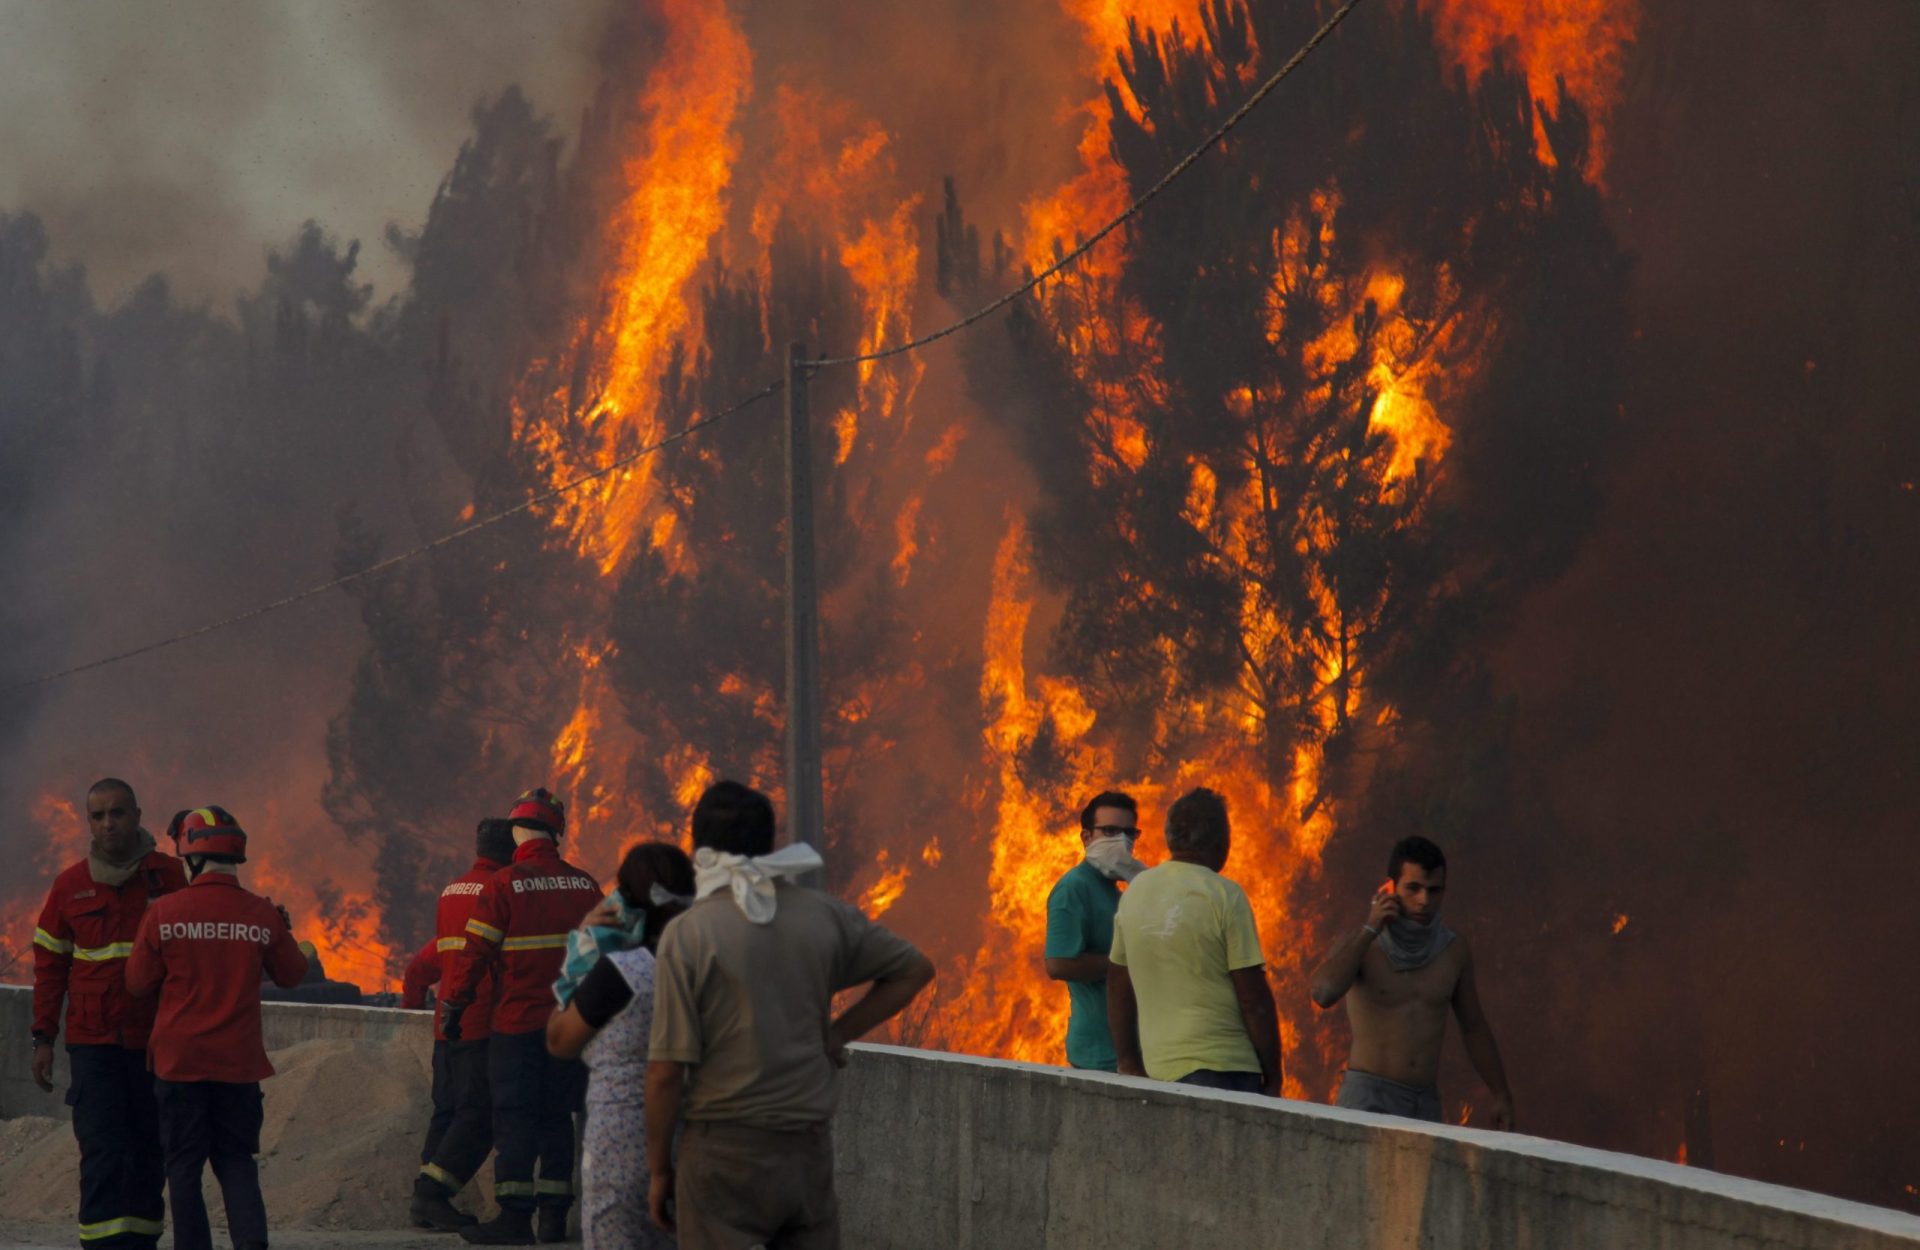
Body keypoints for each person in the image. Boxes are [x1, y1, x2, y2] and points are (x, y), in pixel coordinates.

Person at [645, 780, 935, 1250]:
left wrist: (659, 1170)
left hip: (724, 1151)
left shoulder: (689, 933)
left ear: (697, 845)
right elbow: (913, 970)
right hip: (805, 1151)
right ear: (769, 841)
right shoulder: (825, 915)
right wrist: (836, 1035)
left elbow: (663, 1072)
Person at [124, 806, 308, 1250]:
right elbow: (293, 974)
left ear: (191, 858)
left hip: (180, 1064)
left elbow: (137, 984)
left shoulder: (166, 911)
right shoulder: (261, 914)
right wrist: (282, 930)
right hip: (238, 1069)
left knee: (183, 1166)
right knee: (236, 1161)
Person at [29, 777, 187, 1250]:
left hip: (156, 1041)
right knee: (100, 1150)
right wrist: (42, 1038)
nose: (108, 823)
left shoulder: (170, 877)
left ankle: (141, 1241)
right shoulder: (71, 886)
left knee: (148, 1149)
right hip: (93, 1043)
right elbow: (49, 969)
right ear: (89, 824)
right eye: (97, 816)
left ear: (137, 816)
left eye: (117, 813)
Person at [444, 788, 602, 1246]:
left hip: (515, 1026)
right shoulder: (586, 885)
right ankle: (554, 1217)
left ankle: (515, 1218)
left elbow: (474, 955)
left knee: (513, 1116)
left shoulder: (504, 884)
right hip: (568, 1025)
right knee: (557, 1115)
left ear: (517, 834)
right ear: (556, 832)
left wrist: (456, 1006)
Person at [546, 842, 697, 1250]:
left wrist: (584, 948)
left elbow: (560, 1039)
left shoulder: (621, 973)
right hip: (706, 1148)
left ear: (626, 902)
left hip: (624, 1150)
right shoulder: (712, 970)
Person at [1309, 835, 1515, 1128]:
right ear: (1390, 888)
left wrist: (1500, 1093)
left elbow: (1474, 1026)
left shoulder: (1453, 951)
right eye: (1413, 888)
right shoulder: (1362, 944)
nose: (1424, 900)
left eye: (1434, 890)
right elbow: (1323, 992)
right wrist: (1371, 927)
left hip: (1422, 1104)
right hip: (1368, 1098)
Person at [1107, 787, 1282, 1097]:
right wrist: (1274, 1075)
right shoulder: (1224, 894)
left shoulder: (1135, 891)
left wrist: (1129, 1063)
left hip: (1160, 1071)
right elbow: (1253, 1000)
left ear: (1170, 837)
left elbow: (1118, 985)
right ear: (1221, 840)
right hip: (1226, 1069)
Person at [409, 818, 518, 1232]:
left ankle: (425, 1199)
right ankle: (432, 1195)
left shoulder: (451, 889)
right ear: (510, 853)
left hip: (446, 1021)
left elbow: (436, 956)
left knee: (448, 1110)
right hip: (480, 1018)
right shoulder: (498, 890)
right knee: (478, 1114)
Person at [1042, 790, 1145, 1073]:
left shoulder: (1119, 891)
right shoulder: (1073, 888)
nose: (1121, 841)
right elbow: (1058, 964)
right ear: (1087, 838)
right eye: (1110, 831)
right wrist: (1125, 962)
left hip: (1137, 1054)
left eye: (1129, 833)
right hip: (1100, 1057)